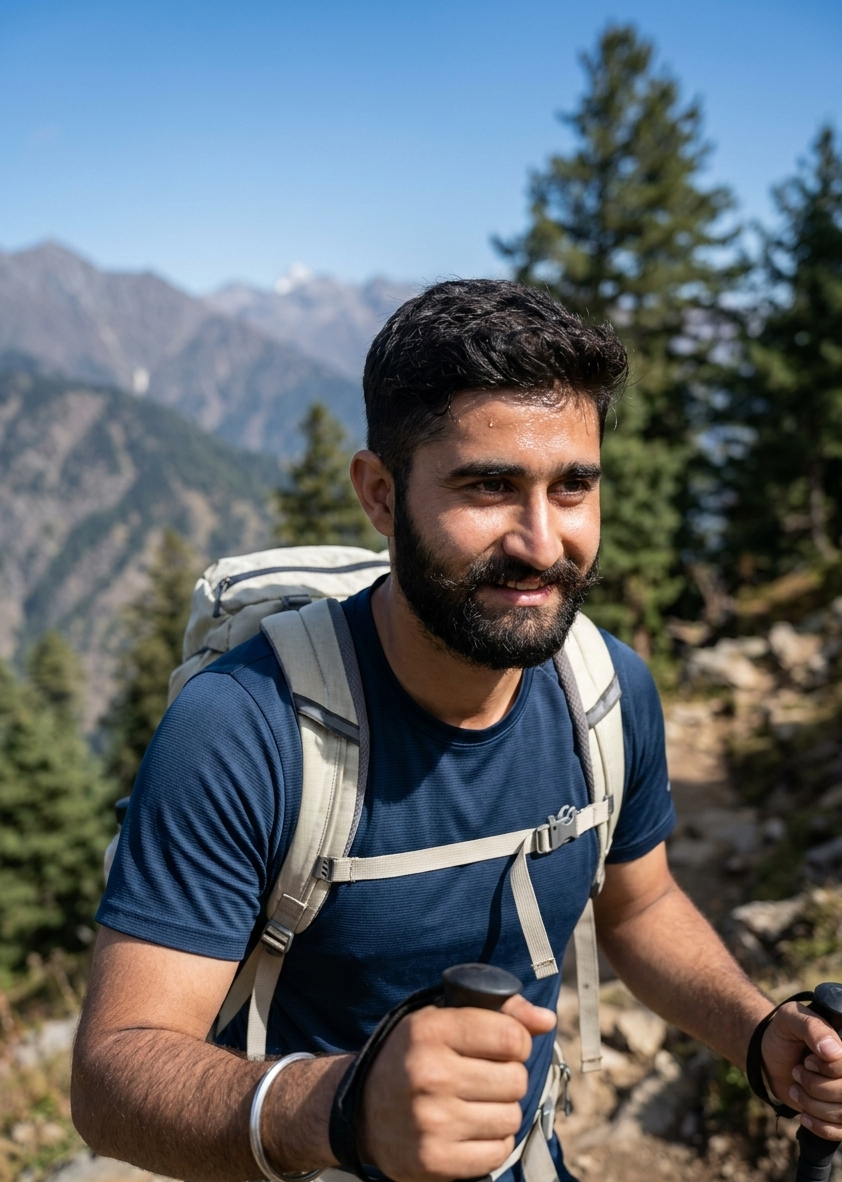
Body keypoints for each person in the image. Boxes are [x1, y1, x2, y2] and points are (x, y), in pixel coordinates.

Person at [72, 280, 842, 1182]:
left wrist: (759, 1036)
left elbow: (640, 906)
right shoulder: (242, 730)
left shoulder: (605, 691)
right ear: (380, 494)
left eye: (573, 488)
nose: (542, 542)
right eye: (489, 487)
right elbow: (111, 1072)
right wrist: (344, 1109)